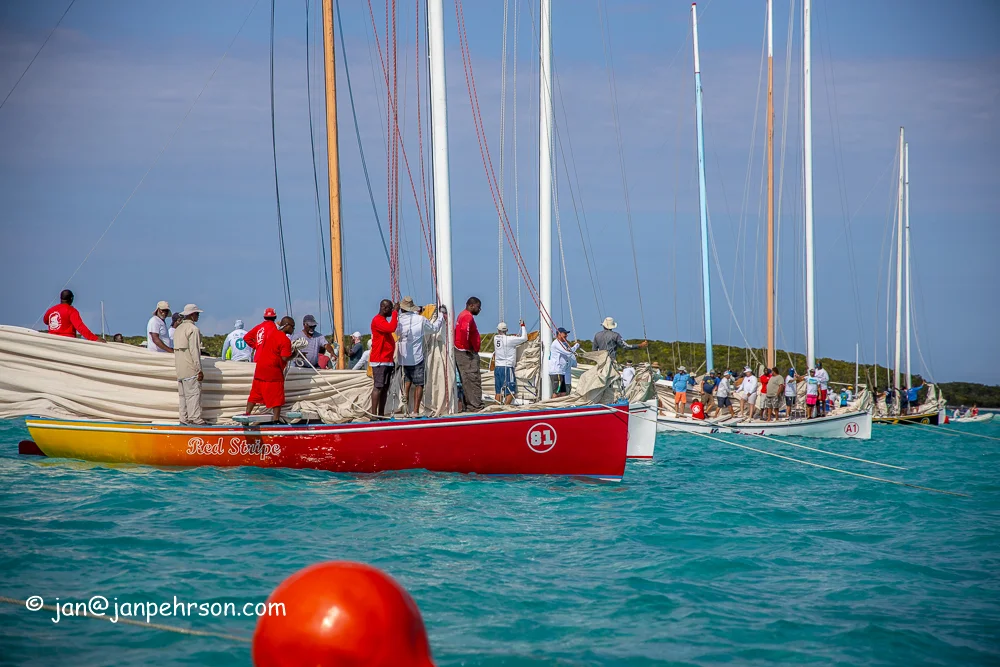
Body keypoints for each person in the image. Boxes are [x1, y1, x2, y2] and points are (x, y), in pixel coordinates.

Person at [397, 297, 446, 416]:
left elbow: (397, 332)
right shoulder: (420, 319)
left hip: (402, 358)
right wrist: (441, 316)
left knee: (406, 383)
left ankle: (405, 410)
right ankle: (415, 411)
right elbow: (434, 329)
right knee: (419, 384)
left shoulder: (398, 320)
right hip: (416, 357)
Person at [245, 316, 296, 423]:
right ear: (286, 326)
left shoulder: (270, 334)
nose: (293, 329)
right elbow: (285, 357)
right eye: (292, 327)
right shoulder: (285, 340)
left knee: (254, 394)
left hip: (260, 368)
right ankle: (276, 420)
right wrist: (294, 354)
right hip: (273, 371)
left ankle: (247, 415)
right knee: (277, 397)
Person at [173, 304, 207, 425]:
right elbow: (195, 351)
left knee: (183, 397)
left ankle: (183, 419)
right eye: (197, 314)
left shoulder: (178, 329)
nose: (198, 316)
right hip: (190, 368)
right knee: (193, 395)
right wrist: (199, 370)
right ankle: (195, 418)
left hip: (179, 369)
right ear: (192, 315)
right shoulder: (193, 329)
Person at [369, 299, 399, 418]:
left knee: (385, 388)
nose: (392, 311)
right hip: (379, 359)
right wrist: (396, 313)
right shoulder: (377, 320)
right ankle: (373, 414)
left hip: (387, 359)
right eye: (390, 309)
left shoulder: (383, 321)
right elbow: (391, 328)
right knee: (378, 386)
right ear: (384, 308)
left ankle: (380, 413)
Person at [454, 297, 484, 411]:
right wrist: (467, 347)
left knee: (468, 380)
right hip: (466, 354)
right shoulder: (467, 316)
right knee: (473, 379)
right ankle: (475, 406)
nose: (479, 309)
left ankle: (471, 405)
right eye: (478, 307)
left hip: (462, 352)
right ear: (471, 305)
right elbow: (464, 331)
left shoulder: (462, 315)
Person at [493, 320, 527, 405]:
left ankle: (496, 410)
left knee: (498, 392)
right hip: (507, 368)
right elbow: (524, 338)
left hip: (497, 368)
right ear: (507, 330)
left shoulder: (496, 338)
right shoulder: (510, 339)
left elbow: (506, 340)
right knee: (510, 392)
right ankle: (505, 409)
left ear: (498, 330)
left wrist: (514, 337)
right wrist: (523, 326)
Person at [547, 328, 578, 398]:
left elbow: (568, 351)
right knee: (557, 393)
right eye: (565, 333)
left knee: (563, 393)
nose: (566, 335)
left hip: (561, 372)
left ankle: (560, 406)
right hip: (556, 371)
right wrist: (576, 346)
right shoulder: (556, 343)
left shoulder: (561, 344)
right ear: (559, 334)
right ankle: (552, 406)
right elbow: (568, 352)